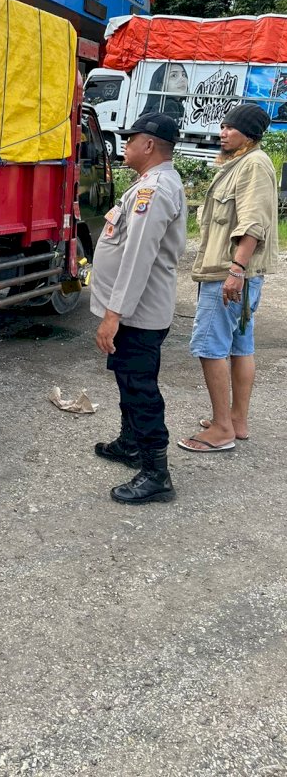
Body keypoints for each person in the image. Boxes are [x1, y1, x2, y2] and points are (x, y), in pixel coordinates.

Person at [91, 112, 188, 504]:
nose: (125, 146)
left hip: (138, 313)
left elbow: (138, 257)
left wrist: (114, 314)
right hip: (136, 310)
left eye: (131, 140)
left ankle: (156, 474)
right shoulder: (148, 184)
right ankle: (130, 444)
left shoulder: (156, 190)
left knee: (140, 388)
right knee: (128, 380)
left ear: (149, 145)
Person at [179, 102, 278, 452]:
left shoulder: (253, 164)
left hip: (229, 272)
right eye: (222, 126)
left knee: (210, 346)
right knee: (239, 346)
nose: (223, 133)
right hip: (236, 272)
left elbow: (252, 222)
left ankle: (221, 429)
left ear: (248, 135)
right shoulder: (240, 163)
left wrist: (236, 270)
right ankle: (236, 420)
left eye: (230, 128)